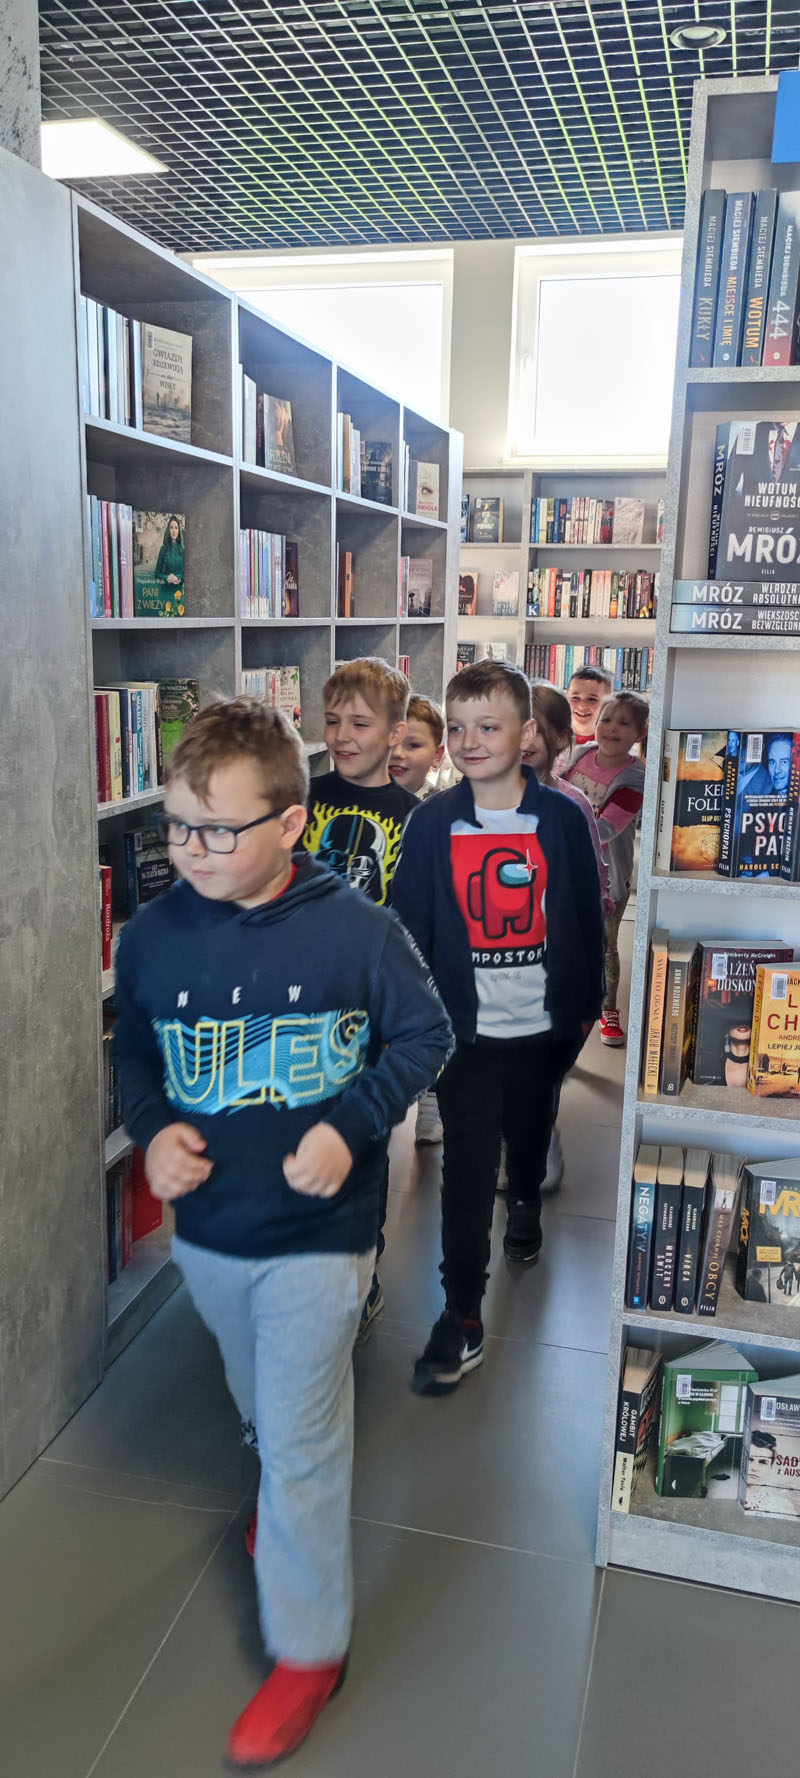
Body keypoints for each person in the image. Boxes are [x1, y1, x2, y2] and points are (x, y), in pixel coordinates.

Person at [113, 698, 452, 1768]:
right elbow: (134, 1052)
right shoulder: (153, 935)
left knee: (303, 1438)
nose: (193, 850)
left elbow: (426, 1034)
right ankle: (281, 1494)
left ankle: (309, 1649)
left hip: (320, 1234)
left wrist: (351, 1127)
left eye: (220, 829)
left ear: (291, 821)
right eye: (178, 826)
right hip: (210, 1235)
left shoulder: (358, 931)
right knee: (261, 1402)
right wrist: (152, 1128)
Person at [392, 660, 604, 1395]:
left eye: (488, 726)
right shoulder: (431, 824)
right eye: (457, 728)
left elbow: (585, 915)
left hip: (543, 1029)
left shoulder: (563, 818)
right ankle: (462, 1313)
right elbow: (408, 929)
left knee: (529, 1132)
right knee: (466, 1168)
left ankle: (525, 1205)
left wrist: (583, 1008)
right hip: (466, 1035)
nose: (469, 741)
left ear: (527, 733)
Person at [304, 657, 419, 1329]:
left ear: (396, 733)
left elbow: (417, 930)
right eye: (332, 721)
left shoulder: (414, 819)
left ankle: (360, 1270)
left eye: (360, 722)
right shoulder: (301, 797)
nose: (342, 735)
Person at [562, 690, 648, 1048]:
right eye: (607, 720)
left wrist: (554, 825)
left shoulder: (636, 777)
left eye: (624, 723)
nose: (612, 728)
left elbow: (605, 828)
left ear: (640, 732)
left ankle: (608, 1009)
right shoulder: (580, 754)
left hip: (608, 878)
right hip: (564, 872)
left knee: (605, 945)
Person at [389, 693, 452, 1145]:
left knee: (430, 1019)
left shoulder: (441, 809)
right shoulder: (371, 801)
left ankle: (432, 1096)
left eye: (413, 745)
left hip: (429, 941)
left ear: (437, 753)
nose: (399, 755)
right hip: (379, 936)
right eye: (393, 743)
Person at [389, 692, 459, 799]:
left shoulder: (444, 806)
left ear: (437, 755)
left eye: (413, 745)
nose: (397, 753)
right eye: (390, 742)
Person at [565, 665, 613, 751]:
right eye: (575, 697)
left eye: (592, 699)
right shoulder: (551, 741)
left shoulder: (617, 748)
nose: (582, 706)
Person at [154, 513, 185, 591]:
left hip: (179, 591)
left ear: (179, 531)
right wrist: (167, 578)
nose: (174, 530)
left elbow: (186, 573)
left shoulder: (183, 549)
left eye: (176, 528)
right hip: (165, 590)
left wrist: (179, 578)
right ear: (168, 530)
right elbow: (157, 574)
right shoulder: (163, 549)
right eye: (171, 528)